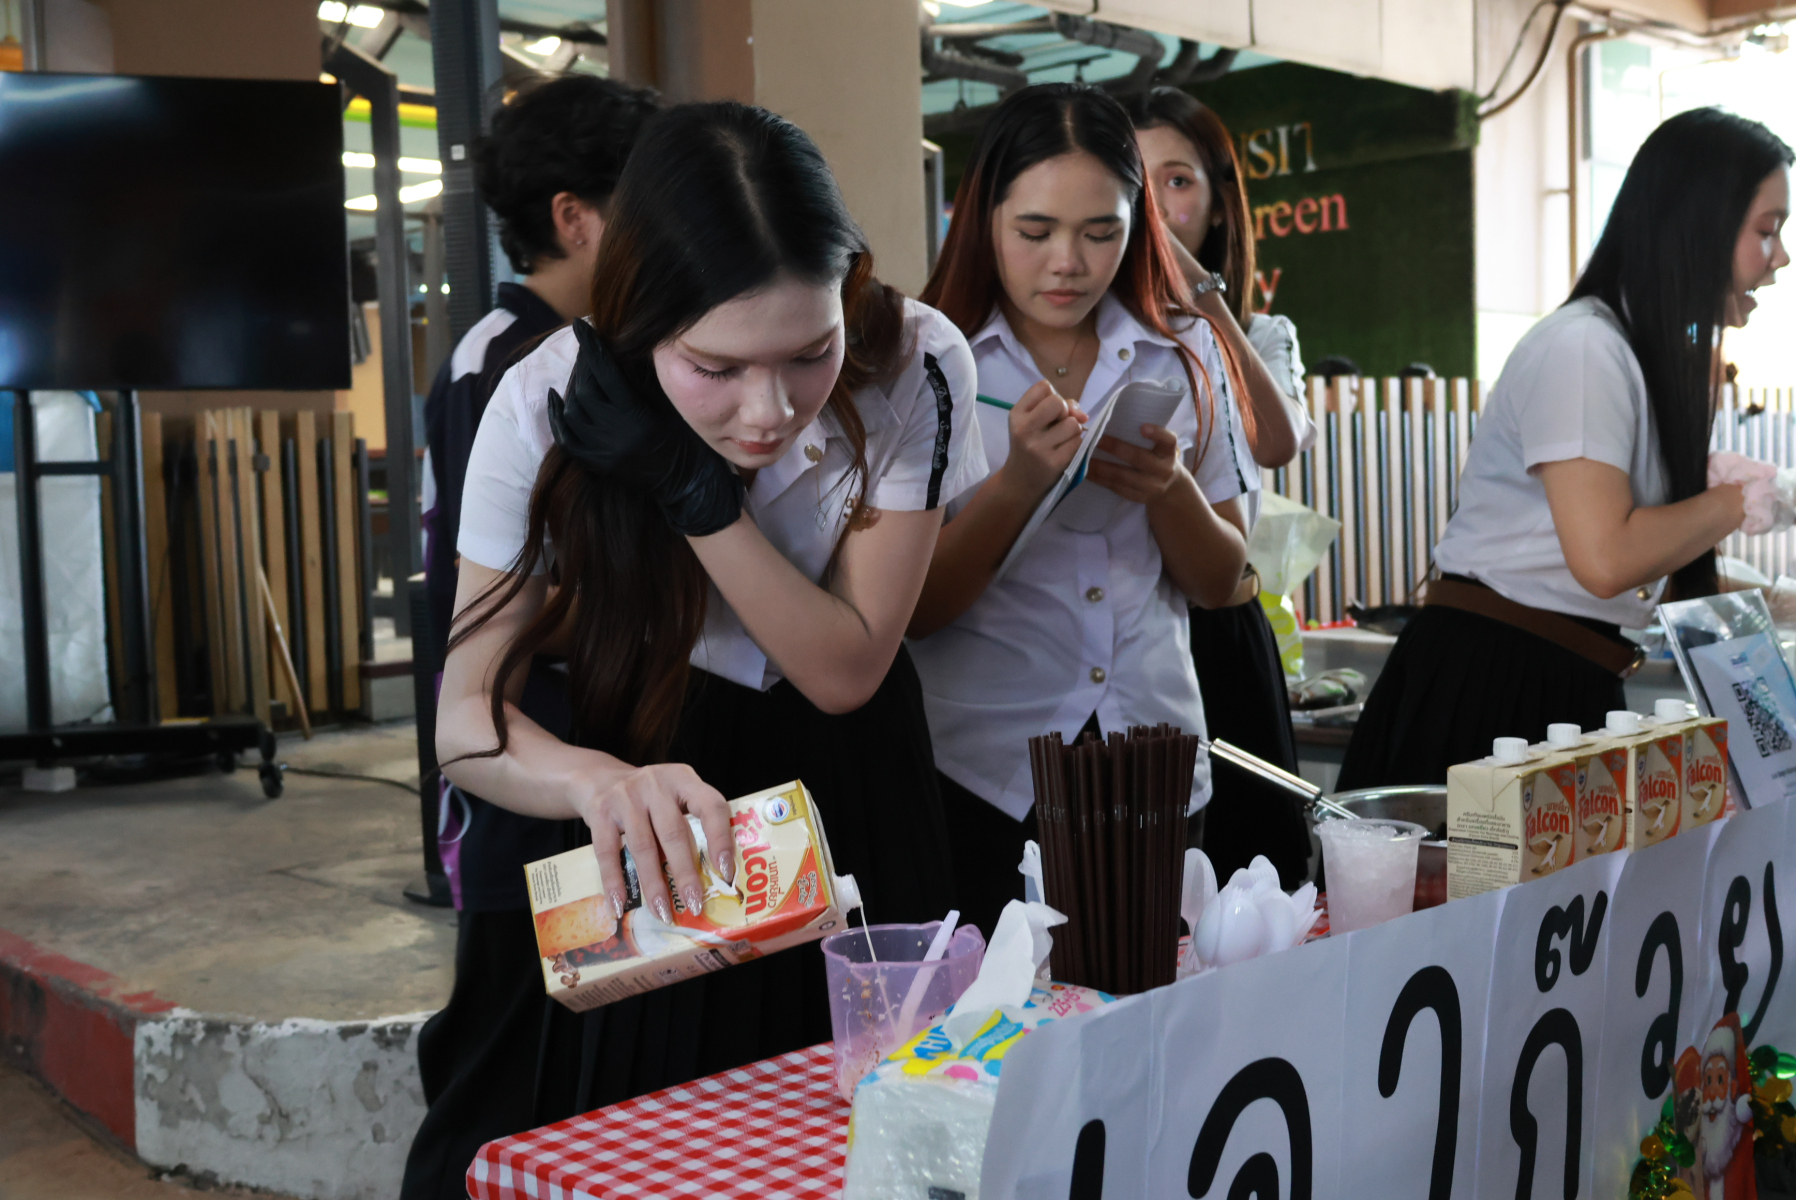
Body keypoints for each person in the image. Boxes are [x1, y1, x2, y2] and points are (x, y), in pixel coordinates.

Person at [400, 101, 984, 1199]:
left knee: (879, 1139)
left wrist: (695, 496)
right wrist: (594, 781)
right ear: (636, 319)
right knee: (654, 1144)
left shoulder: (915, 358)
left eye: (809, 354)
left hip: (855, 785)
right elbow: (465, 719)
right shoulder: (540, 400)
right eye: (714, 366)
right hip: (657, 793)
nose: (768, 410)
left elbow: (846, 669)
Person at [1337, 107, 1787, 789]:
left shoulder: (1641, 357)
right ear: (1700, 223)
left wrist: (1778, 595)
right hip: (1495, 682)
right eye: (1767, 230)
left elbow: (1648, 569)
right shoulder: (1584, 349)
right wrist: (1741, 499)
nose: (1780, 258)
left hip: (1566, 677)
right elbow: (1606, 560)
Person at [907, 83, 1252, 940]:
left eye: (1102, 232)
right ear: (983, 218)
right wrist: (1018, 484)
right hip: (983, 769)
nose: (1068, 262)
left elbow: (1227, 582)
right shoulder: (927, 361)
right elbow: (913, 611)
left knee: (1160, 1003)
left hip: (1153, 762)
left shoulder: (1183, 349)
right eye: (1036, 232)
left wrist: (1169, 488)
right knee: (998, 1018)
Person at [417, 74, 657, 905]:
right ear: (574, 218)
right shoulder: (510, 368)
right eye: (649, 207)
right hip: (525, 759)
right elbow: (496, 593)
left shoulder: (602, 350)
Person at [1127, 86, 1315, 885]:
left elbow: (1278, 439)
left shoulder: (1259, 332)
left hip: (1224, 629)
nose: (1152, 204)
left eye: (1176, 180)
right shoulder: (1081, 330)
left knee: (1258, 878)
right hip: (1131, 636)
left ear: (1217, 205)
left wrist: (1203, 300)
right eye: (1133, 180)